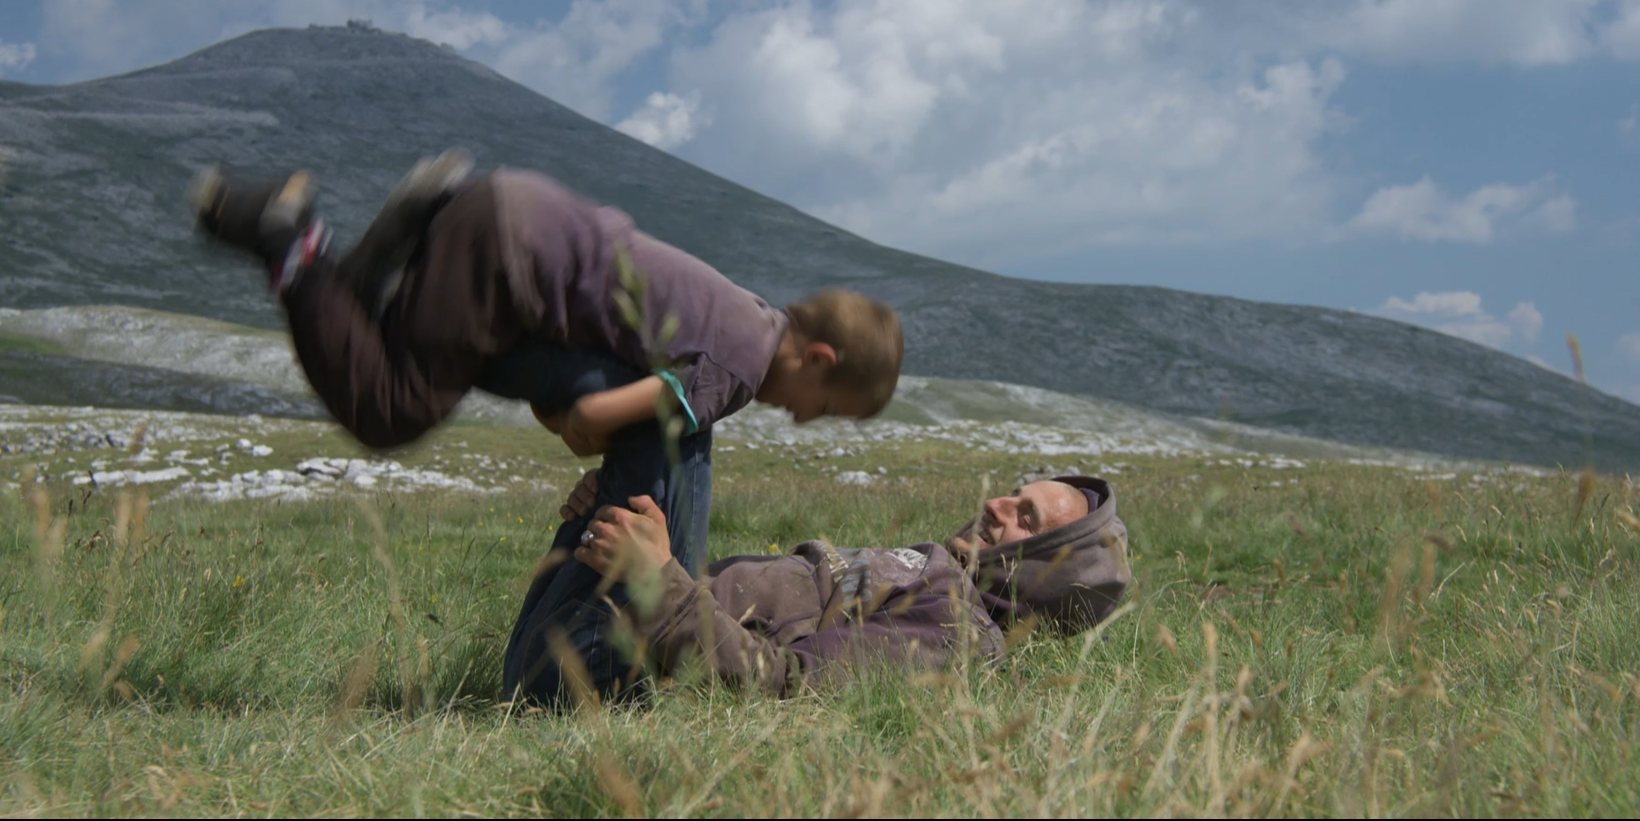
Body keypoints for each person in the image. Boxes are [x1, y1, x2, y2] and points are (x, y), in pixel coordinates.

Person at [188, 151, 906, 669]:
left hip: (513, 217)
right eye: (823, 409)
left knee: (394, 350)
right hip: (513, 265)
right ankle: (293, 244)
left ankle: (392, 251)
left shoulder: (741, 312)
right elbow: (604, 411)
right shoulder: (740, 368)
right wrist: (578, 426)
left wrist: (571, 416)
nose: (802, 419)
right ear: (819, 360)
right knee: (390, 408)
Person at [505, 474, 1131, 702]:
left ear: (1044, 572)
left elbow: (784, 682)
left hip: (594, 668)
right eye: (1014, 495)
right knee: (649, 451)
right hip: (582, 629)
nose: (995, 505)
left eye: (1025, 519)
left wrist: (655, 582)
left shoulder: (956, 631)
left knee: (688, 397)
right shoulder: (932, 575)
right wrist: (603, 511)